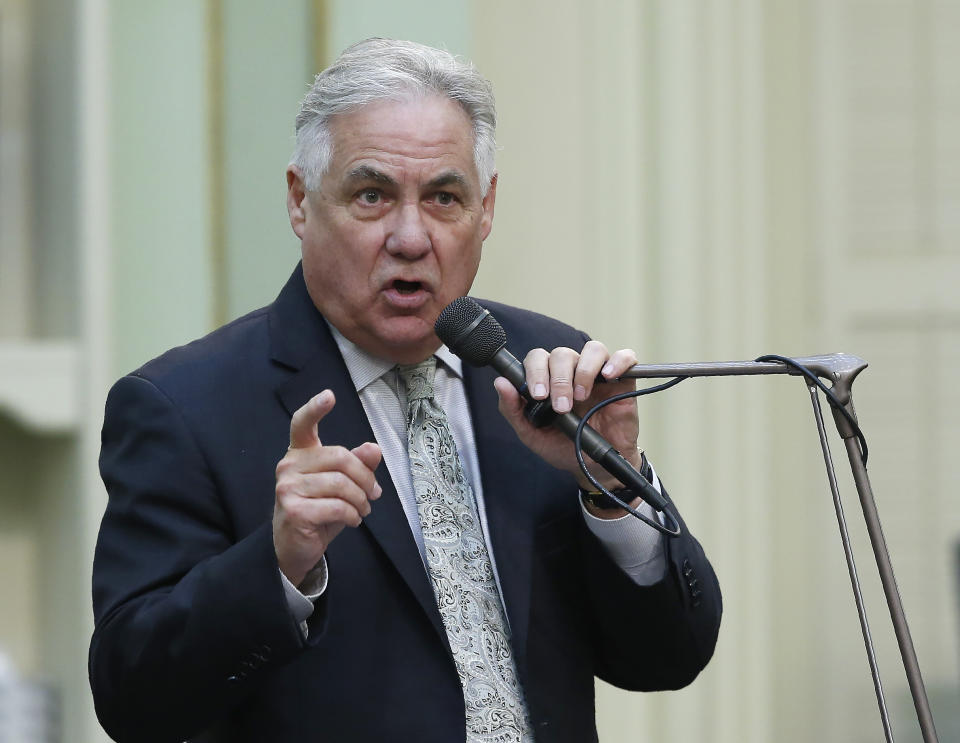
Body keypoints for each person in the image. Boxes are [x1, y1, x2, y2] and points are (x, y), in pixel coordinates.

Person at [89, 38, 721, 743]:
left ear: (485, 210)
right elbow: (133, 698)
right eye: (372, 195)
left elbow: (669, 655)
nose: (411, 237)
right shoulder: (182, 406)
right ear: (301, 201)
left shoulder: (544, 369)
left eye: (444, 198)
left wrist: (614, 488)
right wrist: (279, 563)